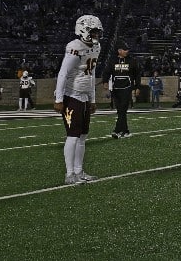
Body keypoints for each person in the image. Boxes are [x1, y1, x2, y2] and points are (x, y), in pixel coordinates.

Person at [55, 14, 103, 185]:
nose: (97, 35)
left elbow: (92, 73)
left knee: (83, 136)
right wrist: (59, 98)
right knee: (73, 136)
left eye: (98, 32)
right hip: (71, 95)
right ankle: (69, 174)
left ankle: (79, 171)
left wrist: (92, 98)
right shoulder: (75, 47)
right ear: (84, 30)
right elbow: (63, 73)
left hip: (83, 96)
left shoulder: (95, 48)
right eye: (94, 32)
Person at [107, 39, 139, 138]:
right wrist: (104, 81)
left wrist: (137, 87)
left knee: (122, 109)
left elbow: (137, 74)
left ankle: (116, 130)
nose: (127, 51)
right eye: (125, 50)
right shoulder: (112, 61)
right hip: (116, 88)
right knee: (121, 111)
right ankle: (125, 131)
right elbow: (107, 71)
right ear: (119, 50)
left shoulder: (132, 61)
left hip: (127, 88)